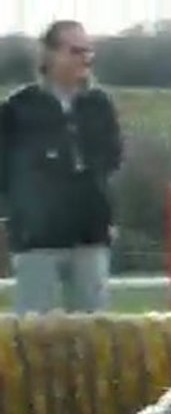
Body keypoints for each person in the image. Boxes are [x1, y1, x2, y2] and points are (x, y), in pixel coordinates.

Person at [0, 20, 123, 316]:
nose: (85, 58)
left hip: (89, 234)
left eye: (89, 51)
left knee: (95, 332)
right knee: (35, 333)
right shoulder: (18, 108)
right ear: (49, 55)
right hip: (36, 239)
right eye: (76, 50)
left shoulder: (99, 104)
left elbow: (112, 157)